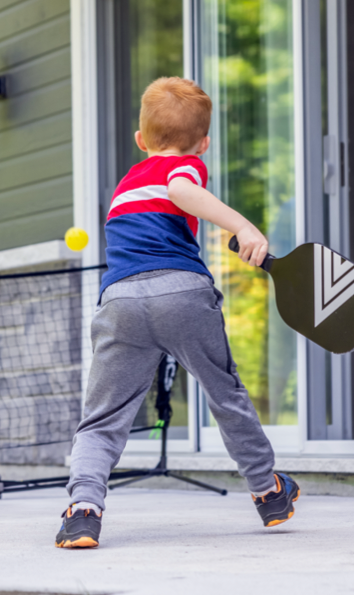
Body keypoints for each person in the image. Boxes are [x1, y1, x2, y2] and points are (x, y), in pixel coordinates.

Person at [55, 78, 299, 549]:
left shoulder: (127, 183)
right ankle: (268, 493)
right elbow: (182, 190)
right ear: (204, 144)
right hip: (182, 293)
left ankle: (83, 511)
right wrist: (242, 226)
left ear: (140, 141)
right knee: (224, 393)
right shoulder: (186, 168)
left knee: (102, 418)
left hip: (120, 301)